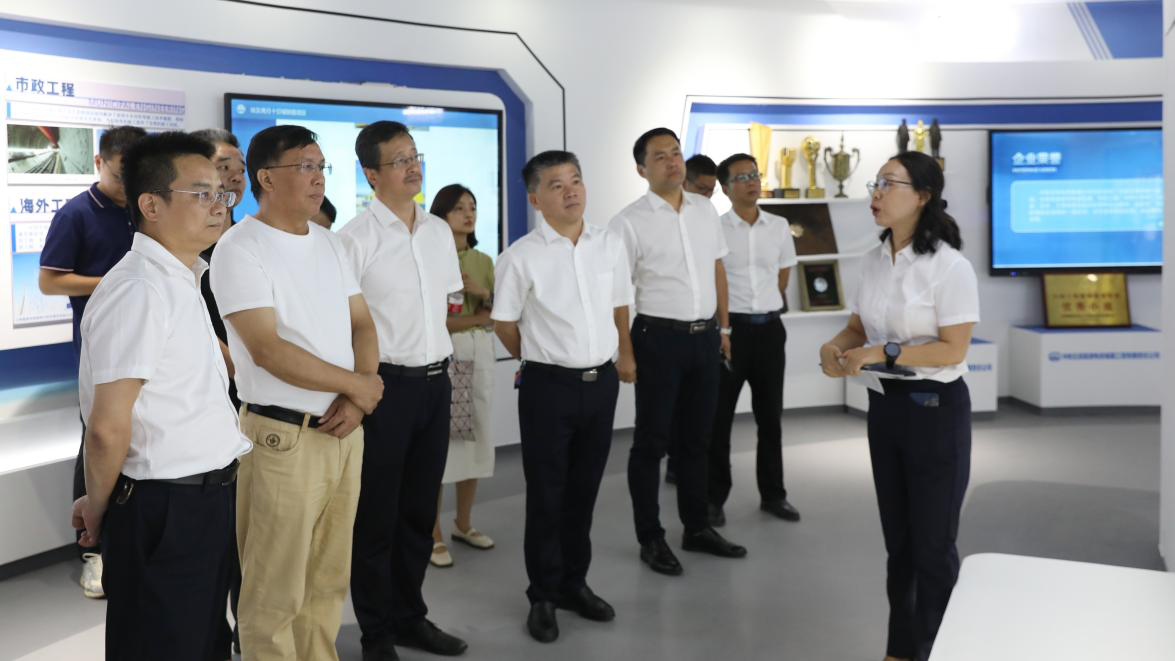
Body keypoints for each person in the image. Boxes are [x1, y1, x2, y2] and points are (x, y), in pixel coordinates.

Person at [70, 131, 250, 660]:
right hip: (165, 507)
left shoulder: (182, 278)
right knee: (162, 644)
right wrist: (99, 507)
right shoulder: (140, 288)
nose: (219, 206)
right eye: (202, 194)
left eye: (221, 193)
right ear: (151, 205)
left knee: (203, 640)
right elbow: (107, 427)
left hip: (204, 500)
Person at [211, 124, 383, 661]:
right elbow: (267, 349)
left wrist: (357, 400)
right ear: (266, 178)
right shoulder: (240, 248)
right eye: (306, 167)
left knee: (327, 582)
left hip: (343, 432)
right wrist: (357, 385)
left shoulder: (331, 243)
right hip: (281, 437)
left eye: (321, 168)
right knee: (273, 591)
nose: (318, 179)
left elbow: (362, 324)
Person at [819, 151, 978, 661]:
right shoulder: (872, 261)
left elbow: (953, 349)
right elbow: (858, 328)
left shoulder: (949, 266)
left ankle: (939, 649)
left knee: (933, 547)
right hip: (886, 410)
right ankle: (900, 649)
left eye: (890, 184)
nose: (877, 193)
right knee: (900, 545)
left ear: (923, 197)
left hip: (935, 411)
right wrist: (835, 346)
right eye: (876, 183)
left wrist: (882, 352)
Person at [339, 121, 468, 661]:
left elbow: (445, 307)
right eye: (399, 160)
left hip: (436, 384)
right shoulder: (352, 239)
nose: (413, 167)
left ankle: (410, 616)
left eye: (415, 156)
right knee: (377, 517)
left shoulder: (437, 231)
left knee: (419, 511)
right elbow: (342, 327)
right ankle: (376, 633)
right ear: (371, 174)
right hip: (384, 389)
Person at [493, 150, 633, 643]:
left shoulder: (609, 243)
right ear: (535, 199)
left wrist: (625, 353)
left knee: (584, 491)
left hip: (602, 383)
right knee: (547, 496)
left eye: (576, 180)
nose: (571, 191)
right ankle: (544, 596)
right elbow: (504, 324)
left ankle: (575, 584)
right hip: (548, 388)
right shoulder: (520, 256)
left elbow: (619, 306)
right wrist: (538, 356)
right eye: (556, 185)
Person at [609, 127, 746, 577]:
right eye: (660, 156)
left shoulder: (705, 210)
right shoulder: (628, 222)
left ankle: (696, 527)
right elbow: (617, 293)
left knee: (697, 439)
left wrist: (723, 326)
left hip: (705, 337)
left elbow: (716, 268)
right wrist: (625, 351)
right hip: (657, 339)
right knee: (651, 442)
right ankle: (650, 537)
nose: (672, 161)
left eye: (676, 152)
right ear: (641, 169)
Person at [39, 124, 146, 599]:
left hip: (145, 346)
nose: (129, 184)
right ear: (100, 162)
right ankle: (93, 554)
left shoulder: (145, 209)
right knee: (97, 441)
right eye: (122, 174)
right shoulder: (76, 213)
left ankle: (131, 544)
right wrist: (115, 283)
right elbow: (50, 281)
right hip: (100, 349)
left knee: (137, 441)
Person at [709, 153, 801, 527]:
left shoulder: (778, 226)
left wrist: (767, 304)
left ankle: (774, 495)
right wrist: (724, 328)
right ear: (725, 188)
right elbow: (714, 281)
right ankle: (713, 498)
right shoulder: (715, 228)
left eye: (754, 174)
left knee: (770, 418)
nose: (752, 182)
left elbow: (783, 275)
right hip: (730, 333)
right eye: (742, 177)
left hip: (769, 331)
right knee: (719, 420)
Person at [190, 126, 247, 657]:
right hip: (207, 414)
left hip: (254, 407)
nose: (233, 177)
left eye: (239, 168)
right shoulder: (187, 251)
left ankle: (247, 631)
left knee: (249, 540)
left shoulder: (250, 239)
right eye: (222, 166)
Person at [428, 184, 496, 569]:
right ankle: (433, 533)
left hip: (481, 354)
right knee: (443, 447)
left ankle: (463, 523)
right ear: (441, 214)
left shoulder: (484, 260)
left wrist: (482, 293)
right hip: (448, 355)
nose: (468, 214)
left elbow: (498, 312)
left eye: (472, 207)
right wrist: (477, 317)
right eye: (458, 208)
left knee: (476, 442)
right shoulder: (433, 259)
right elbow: (439, 320)